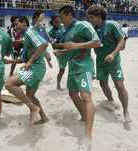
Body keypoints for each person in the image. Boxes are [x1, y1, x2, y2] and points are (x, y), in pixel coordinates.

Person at [55, 5, 101, 149]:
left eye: (62, 17)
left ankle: (88, 135)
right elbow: (70, 48)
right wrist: (61, 52)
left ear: (69, 15)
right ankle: (85, 117)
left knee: (86, 96)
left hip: (84, 66)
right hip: (73, 67)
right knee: (72, 93)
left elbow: (97, 42)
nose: (61, 21)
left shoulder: (82, 25)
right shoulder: (67, 31)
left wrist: (74, 46)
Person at [86, 5, 131, 122]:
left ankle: (126, 111)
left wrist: (113, 54)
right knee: (103, 84)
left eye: (91, 17)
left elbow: (122, 41)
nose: (89, 20)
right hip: (100, 61)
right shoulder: (92, 29)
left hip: (113, 60)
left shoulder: (111, 24)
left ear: (98, 16)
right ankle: (111, 101)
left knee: (119, 86)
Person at [5, 16, 49, 127]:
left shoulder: (29, 32)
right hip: (36, 68)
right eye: (14, 25)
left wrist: (30, 61)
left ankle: (33, 108)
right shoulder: (27, 36)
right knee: (30, 96)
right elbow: (24, 59)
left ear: (24, 23)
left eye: (17, 24)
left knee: (9, 83)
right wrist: (11, 61)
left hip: (35, 69)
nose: (15, 27)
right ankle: (44, 118)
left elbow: (44, 45)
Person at [48, 15, 67, 90]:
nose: (58, 23)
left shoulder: (63, 26)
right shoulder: (50, 32)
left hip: (68, 49)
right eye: (56, 22)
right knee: (62, 70)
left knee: (74, 65)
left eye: (59, 21)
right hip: (59, 52)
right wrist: (65, 45)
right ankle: (58, 84)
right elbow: (54, 45)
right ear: (52, 22)